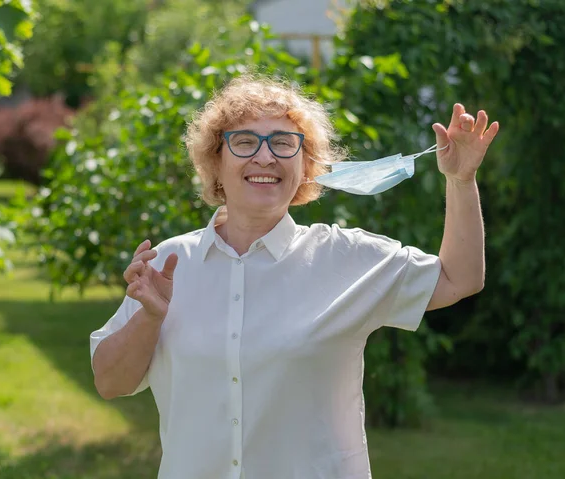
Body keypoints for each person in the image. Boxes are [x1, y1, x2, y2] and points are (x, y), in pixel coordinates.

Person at [90, 75, 499, 479]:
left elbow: (459, 279)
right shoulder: (170, 262)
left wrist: (461, 181)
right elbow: (110, 382)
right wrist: (149, 317)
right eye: (245, 142)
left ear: (306, 165)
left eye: (284, 143)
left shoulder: (345, 258)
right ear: (215, 161)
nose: (265, 158)